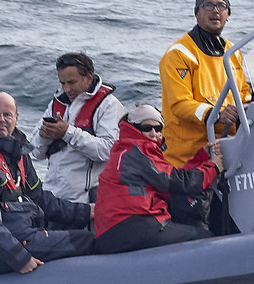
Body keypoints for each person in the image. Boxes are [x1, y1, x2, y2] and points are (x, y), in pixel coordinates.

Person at [0, 92, 95, 274]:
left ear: (17, 118)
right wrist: (19, 258)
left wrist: (86, 212)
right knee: (88, 241)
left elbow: (41, 199)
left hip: (26, 235)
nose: (1, 119)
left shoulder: (18, 155)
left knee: (78, 230)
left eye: (7, 114)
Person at [94, 104, 224, 254]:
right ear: (134, 128)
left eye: (158, 128)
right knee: (205, 238)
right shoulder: (139, 150)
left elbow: (167, 178)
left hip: (113, 231)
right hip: (134, 225)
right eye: (147, 127)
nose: (153, 133)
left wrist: (201, 158)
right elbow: (178, 182)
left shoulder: (125, 149)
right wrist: (213, 168)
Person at [159, 0, 253, 168]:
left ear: (228, 14)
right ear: (196, 13)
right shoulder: (178, 54)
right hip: (189, 157)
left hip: (230, 147)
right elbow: (179, 104)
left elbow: (242, 92)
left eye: (221, 5)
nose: (215, 10)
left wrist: (251, 103)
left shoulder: (233, 51)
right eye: (208, 5)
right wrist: (215, 114)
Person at [32, 50, 125, 203]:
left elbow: (109, 151)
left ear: (88, 77)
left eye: (71, 82)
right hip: (51, 197)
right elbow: (36, 153)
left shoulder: (109, 105)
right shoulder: (56, 103)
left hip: (84, 203)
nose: (67, 89)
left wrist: (67, 133)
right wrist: (44, 137)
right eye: (62, 83)